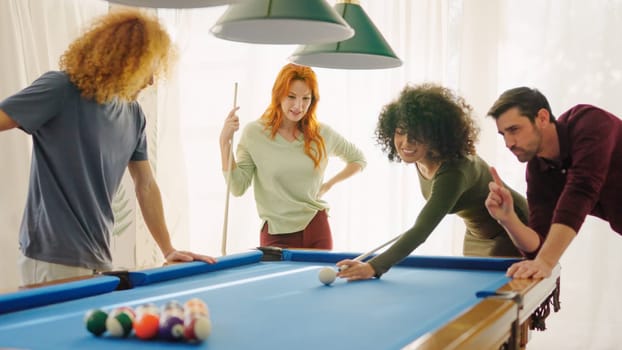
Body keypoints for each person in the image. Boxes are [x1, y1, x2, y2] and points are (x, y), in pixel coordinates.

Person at [0, 9, 215, 285]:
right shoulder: (62, 89)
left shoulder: (133, 114)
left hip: (98, 256)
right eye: (150, 69)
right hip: (52, 256)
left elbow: (145, 184)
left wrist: (168, 249)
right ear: (129, 62)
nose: (152, 80)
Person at [337, 84, 530, 281]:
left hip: (511, 229)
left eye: (417, 133)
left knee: (502, 302)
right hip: (476, 233)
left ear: (436, 134)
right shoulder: (420, 157)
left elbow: (421, 230)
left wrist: (373, 266)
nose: (406, 142)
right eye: (401, 131)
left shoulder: (453, 171)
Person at [219, 63, 366, 250]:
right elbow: (237, 187)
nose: (299, 106)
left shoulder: (322, 133)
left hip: (316, 227)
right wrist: (224, 143)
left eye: (306, 98)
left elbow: (358, 160)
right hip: (276, 234)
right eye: (291, 97)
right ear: (278, 95)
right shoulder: (254, 134)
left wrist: (328, 185)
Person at [486, 87, 622, 279]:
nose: (509, 143)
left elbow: (582, 188)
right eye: (503, 135)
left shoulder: (590, 123)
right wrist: (508, 219)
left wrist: (545, 261)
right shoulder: (538, 170)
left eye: (514, 130)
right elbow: (539, 248)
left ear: (542, 118)